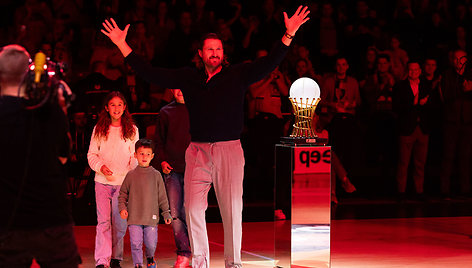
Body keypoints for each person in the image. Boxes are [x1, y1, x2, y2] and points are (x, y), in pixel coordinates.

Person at [101, 6, 310, 268]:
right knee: (192, 209)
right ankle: (200, 263)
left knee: (232, 210)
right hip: (197, 151)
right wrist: (123, 45)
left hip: (229, 151)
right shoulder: (189, 77)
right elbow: (151, 72)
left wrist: (289, 34)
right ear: (201, 53)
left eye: (218, 49)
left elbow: (269, 63)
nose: (214, 53)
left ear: (224, 53)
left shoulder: (237, 74)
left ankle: (233, 264)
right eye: (209, 49)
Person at [0, 44, 82, 267]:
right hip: (51, 220)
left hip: (7, 223)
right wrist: (61, 110)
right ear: (28, 74)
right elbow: (65, 157)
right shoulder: (48, 110)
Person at [87, 91, 139, 268]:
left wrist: (132, 166)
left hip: (123, 184)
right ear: (106, 108)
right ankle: (102, 260)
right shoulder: (99, 129)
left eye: (119, 104)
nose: (116, 108)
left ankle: (116, 258)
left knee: (119, 223)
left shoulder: (132, 130)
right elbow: (92, 154)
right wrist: (101, 167)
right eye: (112, 105)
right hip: (102, 183)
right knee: (103, 222)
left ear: (124, 107)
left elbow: (135, 156)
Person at [152, 88, 192, 267]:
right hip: (172, 169)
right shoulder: (166, 112)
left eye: (183, 86)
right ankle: (183, 252)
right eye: (175, 87)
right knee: (175, 212)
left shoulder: (198, 108)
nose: (180, 91)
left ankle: (198, 249)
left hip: (195, 168)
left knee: (192, 211)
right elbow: (159, 140)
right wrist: (162, 161)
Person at [118, 139, 172, 268]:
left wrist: (166, 213)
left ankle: (150, 258)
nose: (144, 157)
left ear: (152, 156)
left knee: (151, 243)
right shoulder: (130, 175)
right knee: (135, 243)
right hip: (134, 217)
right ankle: (138, 264)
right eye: (141, 153)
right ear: (135, 155)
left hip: (151, 218)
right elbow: (122, 194)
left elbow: (162, 197)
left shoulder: (156, 175)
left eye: (148, 154)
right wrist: (122, 208)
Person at [392, 61, 432, 200]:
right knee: (403, 162)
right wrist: (414, 103)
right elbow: (396, 107)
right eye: (410, 70)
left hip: (422, 128)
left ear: (420, 71)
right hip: (407, 128)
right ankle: (401, 192)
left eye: (416, 70)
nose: (413, 72)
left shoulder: (426, 85)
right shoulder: (400, 86)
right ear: (407, 71)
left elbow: (433, 106)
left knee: (420, 163)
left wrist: (424, 104)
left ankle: (419, 191)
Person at [439, 49, 472, 198]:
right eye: (456, 59)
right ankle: (444, 190)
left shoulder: (471, 74)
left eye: (461, 58)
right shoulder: (447, 75)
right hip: (451, 122)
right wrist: (463, 89)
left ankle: (465, 189)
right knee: (448, 156)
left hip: (467, 122)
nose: (458, 61)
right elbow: (446, 95)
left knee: (465, 157)